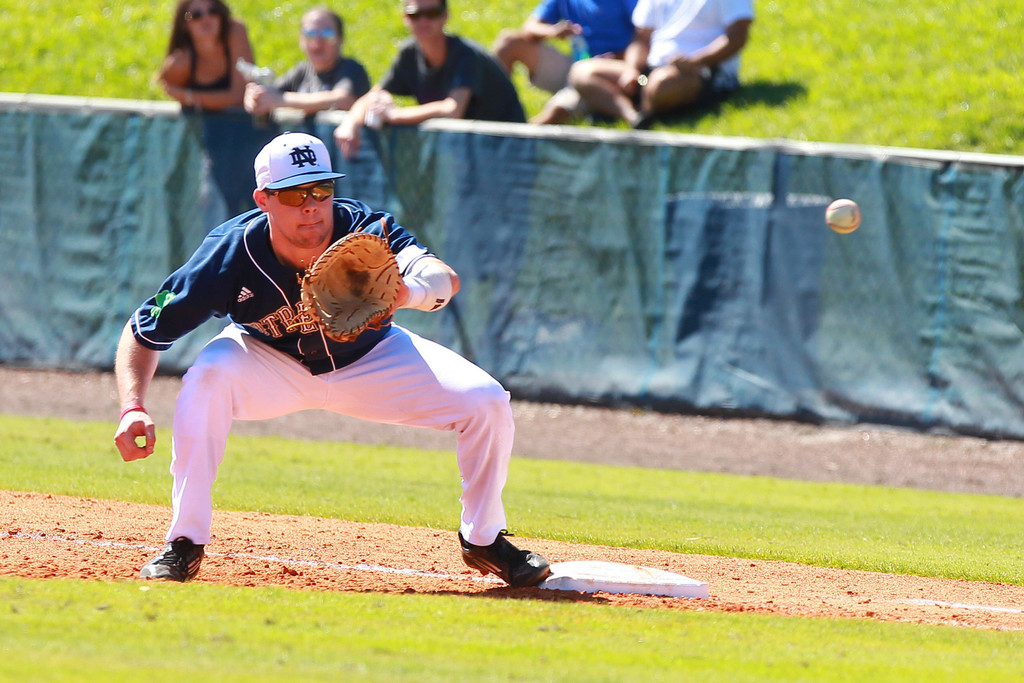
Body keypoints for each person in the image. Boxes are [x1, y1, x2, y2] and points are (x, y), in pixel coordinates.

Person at [113, 131, 551, 589]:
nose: (311, 205)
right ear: (263, 199)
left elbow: (445, 279)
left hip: (372, 357)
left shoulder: (363, 228)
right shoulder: (229, 254)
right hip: (270, 362)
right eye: (294, 193)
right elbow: (143, 329)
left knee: (486, 402)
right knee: (208, 376)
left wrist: (408, 292)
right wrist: (132, 407)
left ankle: (482, 539)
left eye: (321, 189)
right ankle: (184, 542)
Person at [334, 0, 526, 159]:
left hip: (508, 150)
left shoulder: (467, 55)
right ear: (405, 18)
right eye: (415, 15)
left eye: (432, 13)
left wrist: (395, 115)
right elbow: (375, 94)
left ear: (445, 16)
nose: (423, 21)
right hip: (465, 152)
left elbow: (452, 109)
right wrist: (351, 123)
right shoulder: (408, 54)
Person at [568, 0, 753, 129]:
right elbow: (641, 39)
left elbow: (737, 37)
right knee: (582, 71)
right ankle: (633, 117)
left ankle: (636, 109)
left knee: (661, 84)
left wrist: (697, 60)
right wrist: (631, 69)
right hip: (647, 74)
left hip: (701, 71)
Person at [491, 0, 638, 125]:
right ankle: (491, 117)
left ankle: (512, 139)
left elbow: (645, 37)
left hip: (609, 72)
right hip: (574, 66)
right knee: (508, 42)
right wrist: (553, 31)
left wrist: (620, 57)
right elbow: (530, 27)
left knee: (555, 112)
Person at [243, 6, 371, 118]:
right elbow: (272, 93)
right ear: (301, 40)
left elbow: (344, 99)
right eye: (310, 34)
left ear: (340, 39)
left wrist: (281, 100)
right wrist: (256, 96)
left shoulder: (351, 68)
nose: (318, 41)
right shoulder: (302, 70)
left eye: (327, 34)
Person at [157, 0, 255, 111]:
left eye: (213, 11)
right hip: (199, 125)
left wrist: (189, 97)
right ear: (184, 24)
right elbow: (165, 88)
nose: (206, 19)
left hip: (242, 123)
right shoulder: (179, 62)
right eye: (196, 15)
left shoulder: (235, 31)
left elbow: (241, 96)